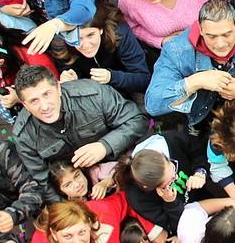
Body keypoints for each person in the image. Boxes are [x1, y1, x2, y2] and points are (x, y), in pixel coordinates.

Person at [146, 0, 235, 130]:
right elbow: (153, 104)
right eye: (211, 36)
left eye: (227, 34)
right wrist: (195, 82)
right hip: (203, 116)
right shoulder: (176, 50)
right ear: (201, 29)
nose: (220, 44)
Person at [13, 64, 148, 201]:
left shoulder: (94, 95)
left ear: (58, 88)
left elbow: (137, 121)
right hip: (76, 186)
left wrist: (105, 146)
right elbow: (42, 180)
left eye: (47, 94)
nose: (45, 106)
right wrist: (70, 207)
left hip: (124, 164)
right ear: (25, 105)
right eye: (34, 101)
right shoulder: (24, 135)